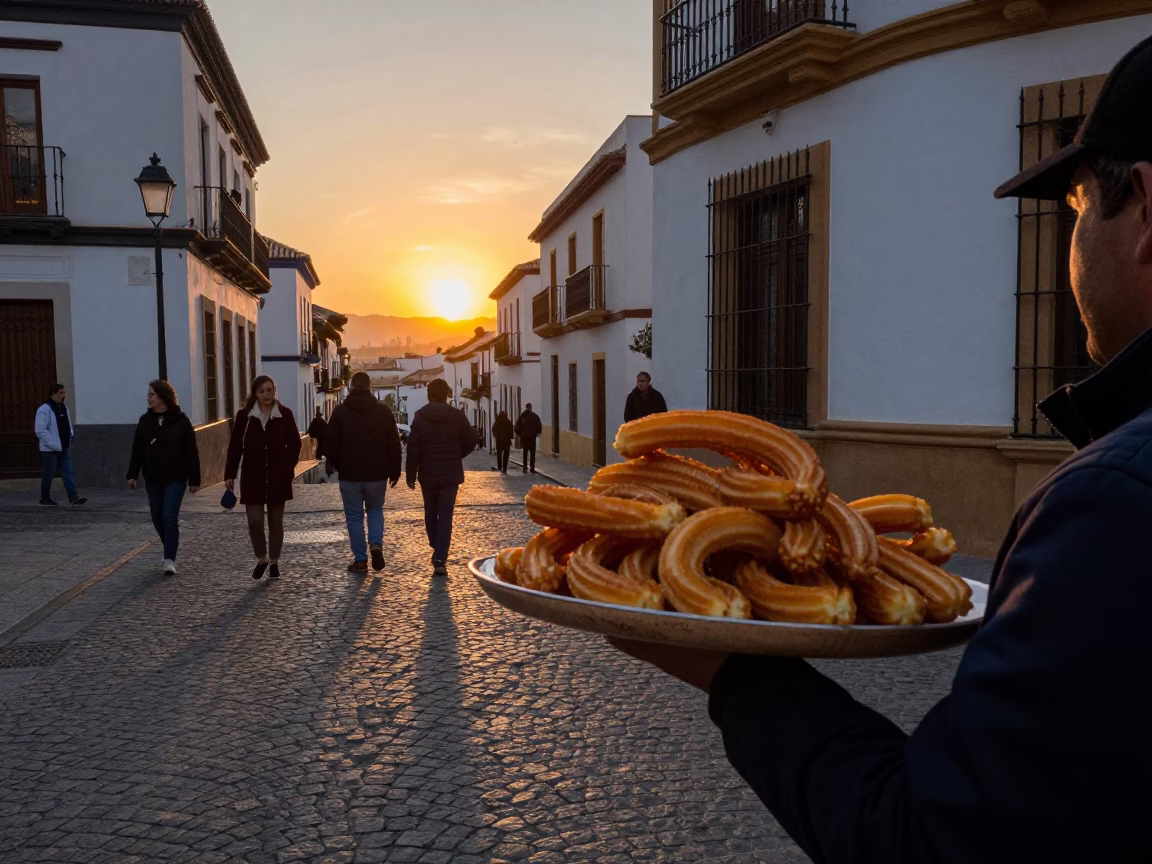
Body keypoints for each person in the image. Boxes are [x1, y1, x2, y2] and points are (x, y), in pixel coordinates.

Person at [611, 36, 1152, 864]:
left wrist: (734, 668)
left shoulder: (1115, 502)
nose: (1069, 246)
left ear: (1143, 208)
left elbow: (932, 843)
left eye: (1077, 208)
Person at [324, 372, 402, 573]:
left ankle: (360, 559)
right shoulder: (383, 411)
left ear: (350, 387)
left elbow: (330, 443)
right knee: (375, 510)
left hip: (350, 475)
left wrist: (336, 464)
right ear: (369, 387)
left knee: (354, 518)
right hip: (377, 475)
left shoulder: (340, 412)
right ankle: (376, 544)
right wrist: (394, 471)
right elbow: (394, 443)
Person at [225, 376, 301, 581]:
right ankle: (262, 558)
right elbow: (235, 447)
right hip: (253, 477)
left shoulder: (285, 414)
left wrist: (288, 468)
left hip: (278, 477)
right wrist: (230, 473)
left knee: (276, 521)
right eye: (262, 391)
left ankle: (274, 562)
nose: (268, 395)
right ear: (255, 393)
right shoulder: (245, 416)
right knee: (254, 521)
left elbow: (295, 444)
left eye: (270, 390)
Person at [126, 380, 201, 576]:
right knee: (157, 518)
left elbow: (191, 452)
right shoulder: (145, 420)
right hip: (153, 477)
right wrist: (132, 474)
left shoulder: (182, 421)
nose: (148, 398)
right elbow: (138, 449)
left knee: (169, 516)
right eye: (148, 394)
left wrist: (195, 479)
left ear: (163, 397)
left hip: (176, 477)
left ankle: (169, 559)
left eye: (152, 394)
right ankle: (170, 542)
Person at [405, 378, 475, 577]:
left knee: (430, 511)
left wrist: (410, 473)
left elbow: (413, 448)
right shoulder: (457, 416)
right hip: (450, 474)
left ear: (429, 395)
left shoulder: (420, 416)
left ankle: (436, 544)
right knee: (446, 515)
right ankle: (440, 557)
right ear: (446, 395)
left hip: (427, 473)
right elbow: (471, 440)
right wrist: (456, 454)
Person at [34, 383, 86, 507]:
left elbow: (68, 424)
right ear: (53, 394)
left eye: (64, 393)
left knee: (68, 472)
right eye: (60, 393)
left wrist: (70, 437)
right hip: (49, 449)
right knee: (49, 473)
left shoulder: (64, 408)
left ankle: (73, 498)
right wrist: (53, 443)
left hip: (63, 447)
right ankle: (45, 497)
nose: (63, 395)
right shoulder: (44, 410)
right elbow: (40, 430)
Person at [514, 403, 542, 474]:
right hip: (532, 438)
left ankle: (525, 466)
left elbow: (516, 427)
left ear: (526, 407)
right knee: (532, 453)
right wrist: (536, 433)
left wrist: (521, 434)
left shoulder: (522, 416)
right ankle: (532, 467)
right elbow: (539, 427)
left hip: (524, 438)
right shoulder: (535, 416)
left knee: (525, 453)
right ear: (531, 408)